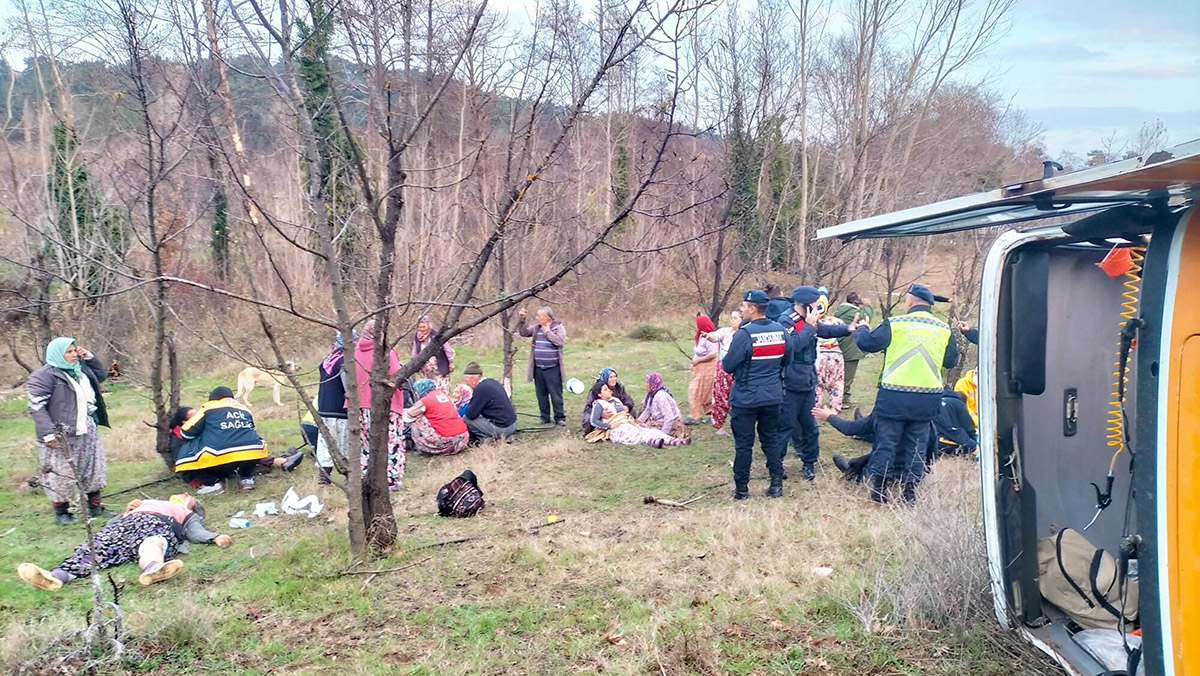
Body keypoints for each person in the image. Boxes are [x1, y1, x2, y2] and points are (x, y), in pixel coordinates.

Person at [851, 283, 958, 504]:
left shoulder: (896, 323)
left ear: (909, 301)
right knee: (917, 446)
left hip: (894, 397)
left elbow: (867, 344)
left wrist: (862, 328)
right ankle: (909, 493)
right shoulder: (944, 329)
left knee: (886, 443)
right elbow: (951, 361)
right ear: (930, 305)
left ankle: (879, 491)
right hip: (927, 399)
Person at [16, 494, 231, 591]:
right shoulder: (144, 502)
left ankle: (154, 569)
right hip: (122, 527)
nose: (184, 494)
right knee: (97, 547)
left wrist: (213, 537)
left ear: (192, 506)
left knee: (152, 543)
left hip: (152, 524)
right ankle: (56, 577)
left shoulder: (184, 512)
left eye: (189, 497)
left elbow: (194, 530)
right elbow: (111, 524)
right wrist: (125, 511)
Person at [27, 336, 112, 525]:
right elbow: (37, 407)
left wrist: (89, 356)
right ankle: (62, 513)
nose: (74, 355)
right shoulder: (45, 376)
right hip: (61, 432)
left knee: (92, 467)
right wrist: (49, 433)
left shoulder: (80, 369)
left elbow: (101, 376)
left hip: (87, 426)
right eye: (69, 352)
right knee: (60, 471)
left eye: (75, 351)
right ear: (58, 354)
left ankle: (95, 506)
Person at [778, 286, 857, 481]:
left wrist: (847, 329)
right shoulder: (786, 320)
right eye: (814, 305)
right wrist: (809, 326)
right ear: (804, 305)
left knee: (811, 427)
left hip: (808, 381)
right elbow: (793, 346)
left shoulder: (810, 320)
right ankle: (776, 465)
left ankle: (809, 462)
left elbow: (825, 330)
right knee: (785, 427)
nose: (817, 308)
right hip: (789, 383)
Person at [721, 289, 794, 499]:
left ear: (753, 309)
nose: (742, 309)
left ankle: (742, 489)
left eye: (744, 306)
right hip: (772, 395)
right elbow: (787, 360)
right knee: (770, 440)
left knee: (744, 445)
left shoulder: (744, 334)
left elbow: (728, 365)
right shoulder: (781, 331)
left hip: (746, 397)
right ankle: (776, 485)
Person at [173, 387, 269, 495]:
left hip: (219, 454)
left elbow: (185, 433)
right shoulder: (244, 408)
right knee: (249, 443)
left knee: (186, 450)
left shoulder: (209, 407)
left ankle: (212, 484)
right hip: (254, 451)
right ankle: (247, 478)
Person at [353, 319, 407, 490]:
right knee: (390, 442)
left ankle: (366, 478)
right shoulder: (385, 353)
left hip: (360, 405)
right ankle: (391, 479)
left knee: (366, 443)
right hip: (385, 404)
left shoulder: (354, 352)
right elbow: (396, 377)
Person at [585, 383, 689, 448]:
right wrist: (609, 426)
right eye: (605, 390)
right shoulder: (599, 404)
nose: (609, 391)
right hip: (615, 428)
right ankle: (654, 442)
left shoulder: (615, 400)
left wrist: (631, 420)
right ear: (599, 394)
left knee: (647, 430)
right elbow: (594, 421)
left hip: (626, 422)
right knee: (634, 434)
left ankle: (674, 441)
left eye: (608, 389)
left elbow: (624, 413)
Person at [518, 306, 568, 426]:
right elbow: (524, 333)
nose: (537, 318)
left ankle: (559, 418)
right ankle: (544, 417)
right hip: (538, 368)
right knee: (541, 394)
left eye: (539, 316)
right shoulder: (537, 327)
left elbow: (560, 341)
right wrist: (522, 320)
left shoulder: (558, 327)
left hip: (553, 368)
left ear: (547, 317)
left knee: (556, 394)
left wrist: (547, 331)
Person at [315, 331, 352, 485]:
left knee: (326, 442)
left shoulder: (328, 359)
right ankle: (350, 475)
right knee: (345, 443)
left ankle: (324, 475)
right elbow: (348, 387)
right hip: (340, 408)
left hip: (324, 407)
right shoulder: (345, 362)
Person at [404, 379, 470, 455]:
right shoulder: (443, 395)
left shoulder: (425, 400)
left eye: (416, 391)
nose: (416, 393)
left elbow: (408, 416)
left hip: (446, 439)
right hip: (462, 438)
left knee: (417, 421)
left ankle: (423, 448)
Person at [705, 309, 742, 436]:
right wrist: (709, 336)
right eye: (731, 318)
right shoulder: (726, 332)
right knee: (720, 396)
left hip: (738, 370)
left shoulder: (745, 334)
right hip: (723, 370)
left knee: (737, 397)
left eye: (735, 318)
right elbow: (715, 336)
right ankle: (719, 425)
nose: (732, 320)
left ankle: (739, 423)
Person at [461, 362, 517, 442]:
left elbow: (471, 414)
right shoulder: (492, 381)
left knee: (466, 419)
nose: (467, 384)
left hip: (502, 428)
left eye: (466, 381)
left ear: (473, 379)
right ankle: (502, 437)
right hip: (512, 425)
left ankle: (485, 439)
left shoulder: (481, 388)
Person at [812, 287, 848, 410]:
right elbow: (843, 337)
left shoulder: (811, 322)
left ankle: (815, 408)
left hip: (819, 356)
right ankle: (835, 407)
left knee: (817, 384)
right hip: (836, 355)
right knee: (837, 382)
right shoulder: (837, 321)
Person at [834, 292, 872, 408]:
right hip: (849, 348)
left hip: (840, 346)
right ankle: (843, 400)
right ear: (856, 301)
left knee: (840, 374)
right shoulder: (854, 313)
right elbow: (867, 318)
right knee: (847, 376)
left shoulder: (841, 310)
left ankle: (840, 398)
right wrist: (868, 306)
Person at [580, 368, 636, 435]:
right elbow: (588, 406)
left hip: (617, 410)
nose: (613, 379)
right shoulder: (597, 388)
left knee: (632, 412)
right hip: (600, 412)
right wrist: (601, 413)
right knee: (588, 420)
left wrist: (627, 406)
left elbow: (628, 399)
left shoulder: (619, 386)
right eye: (611, 377)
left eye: (615, 376)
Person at [685, 315, 719, 425]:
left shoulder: (709, 337)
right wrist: (694, 363)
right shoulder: (700, 336)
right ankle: (700, 415)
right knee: (699, 391)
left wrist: (699, 360)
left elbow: (714, 354)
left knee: (697, 390)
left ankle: (696, 417)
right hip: (699, 368)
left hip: (708, 368)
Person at [412, 316, 456, 393]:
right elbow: (415, 350)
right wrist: (414, 362)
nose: (422, 329)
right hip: (425, 371)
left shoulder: (436, 335)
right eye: (420, 327)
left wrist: (451, 362)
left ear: (429, 326)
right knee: (427, 389)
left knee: (441, 389)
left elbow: (447, 348)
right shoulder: (418, 337)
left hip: (439, 368)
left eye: (424, 327)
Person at [637, 372, 685, 438]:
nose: (645, 385)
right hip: (660, 421)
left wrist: (662, 435)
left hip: (671, 425)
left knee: (644, 433)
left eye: (647, 383)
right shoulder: (652, 395)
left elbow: (669, 418)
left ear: (653, 384)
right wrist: (637, 423)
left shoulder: (660, 396)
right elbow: (647, 411)